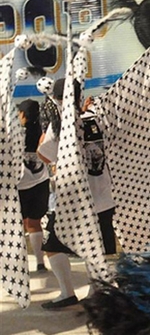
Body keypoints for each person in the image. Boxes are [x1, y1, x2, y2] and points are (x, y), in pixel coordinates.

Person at [37, 79, 118, 309]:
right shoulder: (99, 118)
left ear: (56, 98)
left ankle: (67, 292)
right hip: (103, 195)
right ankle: (95, 293)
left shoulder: (61, 123)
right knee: (96, 247)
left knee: (52, 245)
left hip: (72, 200)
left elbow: (44, 154)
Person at [16, 100, 49, 273]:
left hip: (20, 185)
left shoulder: (16, 133)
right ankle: (40, 262)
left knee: (17, 226)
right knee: (35, 223)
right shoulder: (43, 131)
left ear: (22, 114)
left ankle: (18, 264)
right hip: (41, 181)